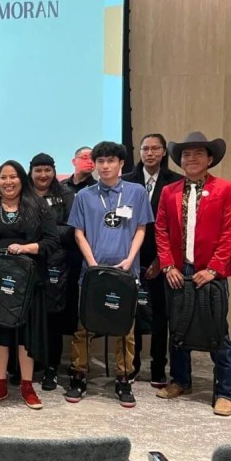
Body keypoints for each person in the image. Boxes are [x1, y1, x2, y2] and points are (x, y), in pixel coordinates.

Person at [155, 131, 231, 416]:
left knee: (217, 330)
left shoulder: (226, 189)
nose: (191, 158)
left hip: (211, 272)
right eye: (186, 154)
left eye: (198, 154)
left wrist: (213, 268)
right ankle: (181, 380)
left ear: (209, 158)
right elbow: (161, 230)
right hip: (178, 271)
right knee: (177, 327)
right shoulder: (169, 191)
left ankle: (226, 391)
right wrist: (168, 265)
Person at [65, 141, 152, 408]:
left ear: (121, 163)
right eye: (100, 161)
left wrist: (130, 259)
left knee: (125, 330)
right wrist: (92, 264)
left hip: (125, 272)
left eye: (111, 161)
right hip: (92, 273)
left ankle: (123, 378)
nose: (105, 166)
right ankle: (79, 375)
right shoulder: (84, 196)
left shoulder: (136, 192)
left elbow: (141, 228)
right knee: (83, 328)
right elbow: (79, 233)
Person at [0, 161, 59, 408]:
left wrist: (25, 248)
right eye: (3, 177)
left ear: (22, 179)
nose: (8, 182)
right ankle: (0, 384)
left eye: (13, 177)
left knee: (26, 335)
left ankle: (27, 386)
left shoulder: (37, 206)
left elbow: (52, 241)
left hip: (29, 283)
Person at [122, 134, 183, 387]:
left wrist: (162, 259)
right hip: (130, 256)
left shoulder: (176, 182)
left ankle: (158, 366)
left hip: (162, 257)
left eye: (155, 149)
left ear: (164, 152)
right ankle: (132, 364)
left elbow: (177, 226)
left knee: (160, 314)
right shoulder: (126, 181)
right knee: (132, 313)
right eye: (145, 149)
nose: (149, 153)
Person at [28, 153, 76, 391]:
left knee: (52, 318)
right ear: (31, 172)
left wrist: (44, 233)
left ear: (54, 171)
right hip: (28, 263)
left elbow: (72, 230)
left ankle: (52, 368)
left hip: (57, 264)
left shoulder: (66, 195)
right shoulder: (23, 195)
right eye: (38, 170)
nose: (43, 175)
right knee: (29, 316)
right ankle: (30, 365)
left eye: (47, 170)